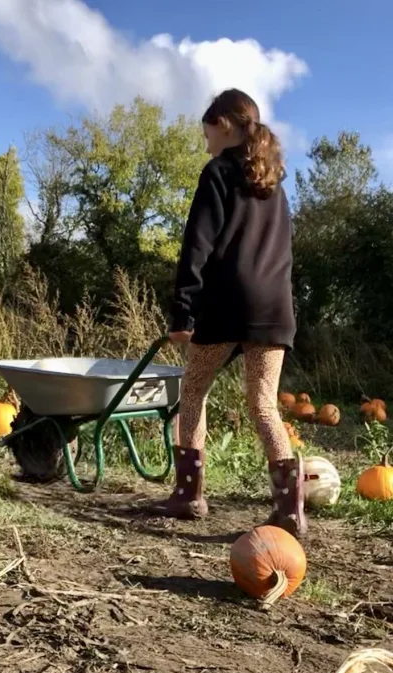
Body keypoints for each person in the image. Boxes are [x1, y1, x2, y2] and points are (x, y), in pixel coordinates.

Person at [156, 88, 305, 538]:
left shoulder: (218, 170)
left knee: (194, 389)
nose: (206, 146)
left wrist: (183, 312)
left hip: (228, 301)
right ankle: (291, 512)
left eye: (207, 136)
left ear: (224, 125)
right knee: (263, 404)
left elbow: (197, 244)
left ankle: (188, 495)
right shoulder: (273, 181)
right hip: (274, 304)